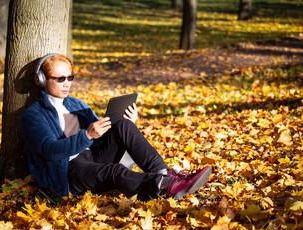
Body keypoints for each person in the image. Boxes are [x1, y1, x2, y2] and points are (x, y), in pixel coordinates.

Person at [20, 53, 212, 201]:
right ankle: (167, 186)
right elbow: (51, 152)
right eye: (60, 79)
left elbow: (100, 137)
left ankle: (164, 173)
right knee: (114, 171)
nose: (67, 84)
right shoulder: (34, 115)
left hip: (91, 158)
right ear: (43, 80)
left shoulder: (76, 104)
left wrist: (125, 122)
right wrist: (86, 136)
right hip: (68, 171)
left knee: (124, 126)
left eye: (70, 78)